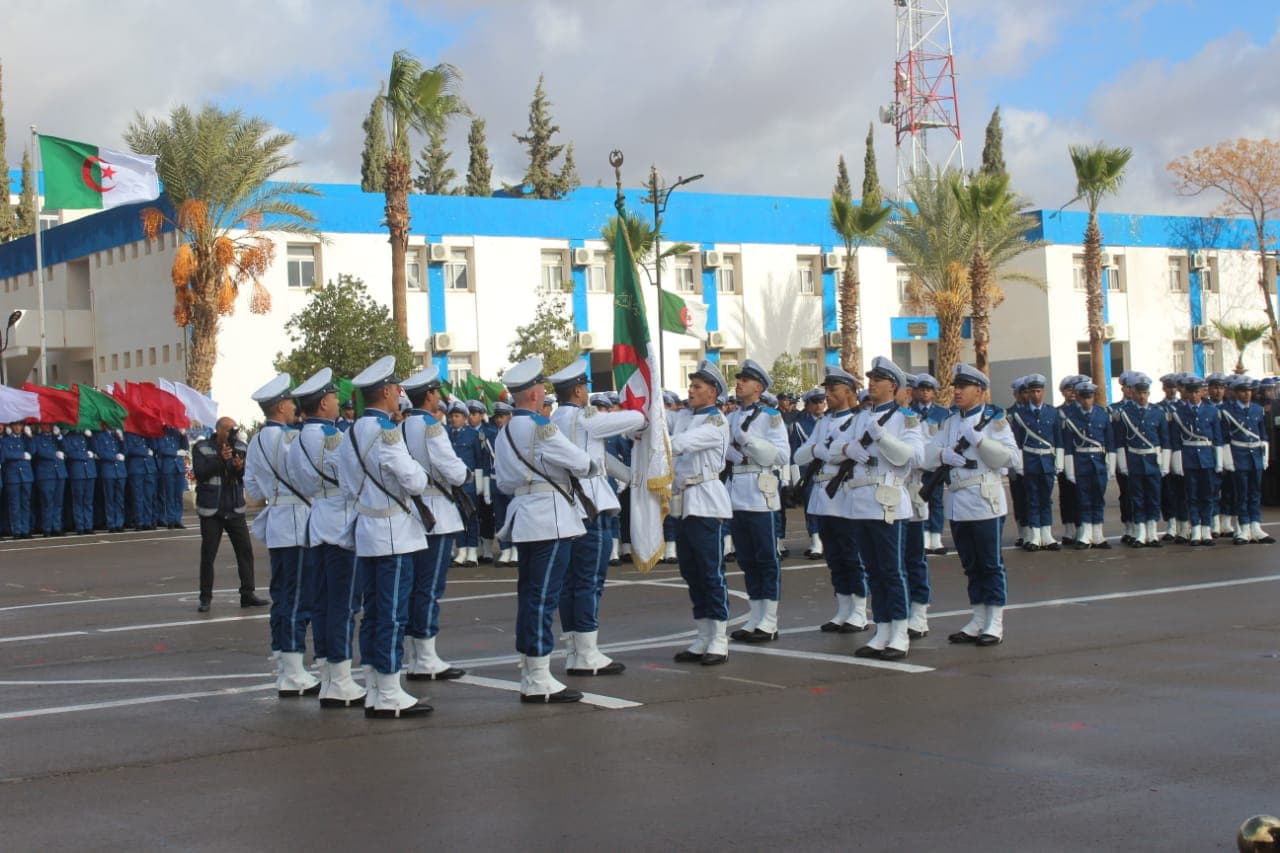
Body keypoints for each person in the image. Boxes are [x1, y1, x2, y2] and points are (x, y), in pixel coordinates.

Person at [336, 356, 434, 719]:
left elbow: (346, 485)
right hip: (393, 532)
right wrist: (419, 473)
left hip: (366, 529)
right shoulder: (386, 433)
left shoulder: (351, 432)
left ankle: (376, 684)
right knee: (392, 612)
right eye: (396, 390)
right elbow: (413, 481)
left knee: (374, 612)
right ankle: (390, 689)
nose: (399, 395)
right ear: (387, 392)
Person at [492, 356, 594, 703]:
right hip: (549, 518)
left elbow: (504, 482)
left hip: (524, 516)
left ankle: (531, 666)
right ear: (535, 394)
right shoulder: (541, 427)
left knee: (530, 595)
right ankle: (537, 676)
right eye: (541, 389)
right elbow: (579, 462)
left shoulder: (505, 430)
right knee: (543, 597)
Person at [547, 360, 645, 677]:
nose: (588, 392)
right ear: (577, 390)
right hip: (592, 507)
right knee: (590, 581)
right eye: (586, 387)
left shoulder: (557, 418)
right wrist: (648, 407)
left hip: (569, 507)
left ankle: (576, 648)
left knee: (572, 582)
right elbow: (632, 418)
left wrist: (632, 476)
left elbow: (600, 458)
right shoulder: (582, 417)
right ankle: (587, 652)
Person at [286, 368, 366, 708]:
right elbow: (353, 478)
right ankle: (341, 678)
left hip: (315, 520)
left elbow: (299, 483)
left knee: (321, 602)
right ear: (323, 402)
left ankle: (327, 673)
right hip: (340, 522)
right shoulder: (334, 438)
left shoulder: (297, 439)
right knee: (343, 604)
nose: (338, 403)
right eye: (334, 398)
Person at [923, 364, 1019, 647]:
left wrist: (981, 441)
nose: (957, 392)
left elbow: (1012, 459)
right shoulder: (950, 421)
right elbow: (927, 456)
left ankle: (995, 621)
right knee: (971, 565)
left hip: (984, 501)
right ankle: (977, 618)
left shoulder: (994, 421)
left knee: (990, 564)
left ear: (979, 390)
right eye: (955, 387)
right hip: (958, 502)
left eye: (963, 387)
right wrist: (944, 454)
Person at [836, 357, 923, 659]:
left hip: (887, 500)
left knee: (892, 571)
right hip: (860, 502)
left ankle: (899, 631)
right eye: (870, 377)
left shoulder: (906, 418)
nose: (871, 382)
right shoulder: (860, 417)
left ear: (893, 386)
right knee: (873, 571)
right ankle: (882, 628)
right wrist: (849, 448)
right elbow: (837, 445)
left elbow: (912, 457)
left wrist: (881, 436)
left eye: (878, 379)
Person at [244, 373, 319, 698]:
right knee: (298, 597)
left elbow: (251, 489)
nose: (293, 407)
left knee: (282, 595)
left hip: (277, 521)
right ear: (279, 407)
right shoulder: (291, 439)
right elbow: (308, 478)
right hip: (298, 521)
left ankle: (285, 663)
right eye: (289, 402)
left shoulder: (257, 440)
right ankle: (293, 669)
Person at [400, 366, 470, 681]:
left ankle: (416, 653)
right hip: (436, 511)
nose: (440, 398)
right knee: (429, 587)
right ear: (429, 395)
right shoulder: (432, 427)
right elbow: (452, 470)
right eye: (437, 392)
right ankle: (425, 657)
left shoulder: (400, 426)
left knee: (414, 585)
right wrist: (465, 474)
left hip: (410, 511)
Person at [795, 367, 870, 634]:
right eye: (826, 389)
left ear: (849, 391)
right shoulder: (824, 422)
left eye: (833, 390)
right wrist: (818, 449)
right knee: (835, 558)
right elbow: (800, 456)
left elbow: (846, 455)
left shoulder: (860, 420)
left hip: (846, 495)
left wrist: (824, 452)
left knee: (852, 556)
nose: (828, 394)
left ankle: (859, 612)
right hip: (823, 494)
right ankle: (843, 609)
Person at [669, 360, 733, 665]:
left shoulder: (716, 422)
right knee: (691, 572)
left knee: (710, 572)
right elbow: (659, 426)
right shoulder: (684, 417)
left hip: (706, 501)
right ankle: (703, 634)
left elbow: (681, 444)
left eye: (697, 387)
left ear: (713, 393)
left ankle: (719, 637)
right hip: (683, 502)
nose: (691, 391)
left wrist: (660, 442)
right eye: (691, 386)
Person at [724, 359, 791, 643]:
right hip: (736, 491)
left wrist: (748, 443)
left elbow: (782, 455)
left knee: (766, 558)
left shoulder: (770, 416)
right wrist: (732, 452)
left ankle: (770, 619)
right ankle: (756, 615)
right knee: (747, 559)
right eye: (738, 379)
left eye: (745, 380)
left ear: (759, 387)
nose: (738, 383)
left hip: (760, 493)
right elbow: (723, 447)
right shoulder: (730, 417)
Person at [191, 418, 266, 612]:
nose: (232, 433)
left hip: (234, 508)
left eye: (234, 430)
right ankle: (205, 597)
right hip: (211, 509)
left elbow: (243, 475)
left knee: (245, 552)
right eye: (228, 430)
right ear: (218, 430)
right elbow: (200, 473)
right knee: (208, 555)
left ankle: (247, 594)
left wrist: (238, 467)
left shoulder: (240, 446)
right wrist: (220, 460)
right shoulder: (202, 447)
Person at [1114, 372, 1169, 547]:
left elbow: (1165, 440)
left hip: (1153, 460)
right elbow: (1120, 441)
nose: (1142, 396)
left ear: (1149, 394)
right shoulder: (1124, 413)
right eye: (1139, 393)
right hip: (1135, 460)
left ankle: (1152, 532)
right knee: (1136, 497)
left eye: (1145, 393)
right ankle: (1139, 532)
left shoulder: (1157, 412)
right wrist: (1123, 464)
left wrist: (1165, 464)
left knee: (1153, 496)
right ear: (1133, 393)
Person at [1169, 374, 1224, 547]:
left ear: (1202, 392)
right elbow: (1176, 440)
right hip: (1189, 458)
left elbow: (1217, 438)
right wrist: (1177, 462)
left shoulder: (1211, 411)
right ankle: (1196, 529)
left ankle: (1207, 529)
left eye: (1196, 392)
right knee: (1191, 496)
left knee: (1207, 495)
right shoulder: (1179, 413)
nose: (1193, 395)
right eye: (1190, 392)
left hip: (1207, 458)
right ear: (1186, 392)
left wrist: (1219, 461)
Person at [1062, 380, 1115, 549]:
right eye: (1083, 398)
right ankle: (1085, 533)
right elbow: (1068, 445)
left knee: (1098, 498)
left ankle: (1098, 533)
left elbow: (1110, 441)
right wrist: (1069, 469)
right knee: (1083, 498)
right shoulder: (1069, 416)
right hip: (1080, 461)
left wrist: (1111, 465)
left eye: (1090, 397)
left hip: (1098, 462)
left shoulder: (1102, 413)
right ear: (1077, 397)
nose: (1087, 401)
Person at [1221, 375, 1273, 544]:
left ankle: (1256, 526)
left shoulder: (1258, 409)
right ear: (1235, 393)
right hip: (1239, 456)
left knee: (1255, 492)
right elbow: (1224, 439)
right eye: (1243, 391)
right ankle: (1243, 527)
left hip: (1255, 456)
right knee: (1241, 493)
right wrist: (1227, 460)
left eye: (1249, 391)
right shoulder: (1227, 411)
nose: (1247, 394)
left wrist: (1264, 456)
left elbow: (1263, 434)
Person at [912, 374, 951, 555]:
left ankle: (936, 536)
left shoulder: (943, 413)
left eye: (928, 390)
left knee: (935, 500)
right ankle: (924, 535)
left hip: (935, 464)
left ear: (934, 393)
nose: (925, 393)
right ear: (916, 392)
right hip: (917, 464)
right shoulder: (909, 411)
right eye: (922, 389)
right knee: (919, 499)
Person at [446, 400, 483, 566]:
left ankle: (472, 551)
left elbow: (479, 461)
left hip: (469, 482)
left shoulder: (473, 435)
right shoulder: (445, 434)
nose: (453, 419)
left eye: (457, 416)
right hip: (453, 484)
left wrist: (481, 486)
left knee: (471, 517)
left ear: (465, 418)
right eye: (451, 416)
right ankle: (461, 550)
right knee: (456, 518)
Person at [792, 387, 826, 559]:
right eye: (815, 402)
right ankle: (815, 541)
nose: (819, 405)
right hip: (809, 471)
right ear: (807, 405)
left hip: (830, 471)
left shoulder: (830, 420)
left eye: (821, 401)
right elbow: (795, 452)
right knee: (811, 507)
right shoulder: (800, 424)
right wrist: (796, 480)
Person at [489, 401, 516, 566]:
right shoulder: (492, 435)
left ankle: (516, 549)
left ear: (509, 416)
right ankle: (505, 549)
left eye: (502, 416)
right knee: (500, 518)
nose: (499, 420)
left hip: (512, 481)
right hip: (496, 481)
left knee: (514, 517)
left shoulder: (514, 434)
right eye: (497, 417)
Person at [30, 423, 67, 537]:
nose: (47, 427)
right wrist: (54, 454)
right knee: (47, 502)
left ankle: (56, 527)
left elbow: (66, 448)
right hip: (46, 475)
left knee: (58, 503)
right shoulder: (37, 438)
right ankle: (47, 528)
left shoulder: (55, 437)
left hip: (59, 473)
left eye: (49, 425)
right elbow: (38, 452)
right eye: (45, 425)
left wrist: (59, 436)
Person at [62, 426, 97, 535]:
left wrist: (91, 437)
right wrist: (85, 455)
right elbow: (68, 452)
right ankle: (80, 526)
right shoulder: (68, 437)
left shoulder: (85, 437)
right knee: (78, 501)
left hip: (89, 472)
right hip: (78, 473)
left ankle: (88, 525)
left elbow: (97, 449)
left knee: (88, 501)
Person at [152, 425, 189, 530]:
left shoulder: (177, 432)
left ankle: (178, 519)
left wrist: (184, 434)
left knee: (178, 495)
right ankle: (171, 520)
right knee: (169, 495)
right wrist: (175, 453)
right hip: (168, 467)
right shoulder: (161, 432)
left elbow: (185, 447)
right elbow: (161, 449)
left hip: (179, 468)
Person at [1, 423, 34, 539]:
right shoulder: (5, 440)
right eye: (15, 425)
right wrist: (20, 455)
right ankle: (17, 530)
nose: (17, 428)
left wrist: (30, 437)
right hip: (13, 476)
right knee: (14, 505)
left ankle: (25, 529)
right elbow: (5, 454)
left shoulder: (25, 439)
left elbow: (33, 451)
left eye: (19, 425)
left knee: (26, 503)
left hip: (26, 476)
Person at [123, 427, 158, 531]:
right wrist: (144, 451)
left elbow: (155, 446)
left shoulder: (147, 434)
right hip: (136, 469)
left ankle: (148, 521)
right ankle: (139, 521)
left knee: (149, 496)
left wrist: (151, 434)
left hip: (149, 468)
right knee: (138, 497)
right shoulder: (129, 434)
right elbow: (128, 450)